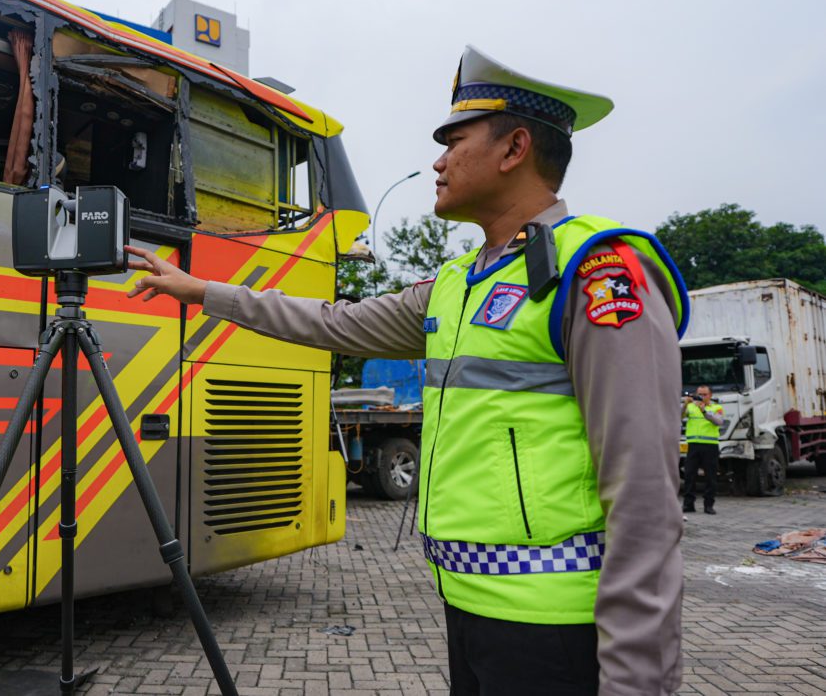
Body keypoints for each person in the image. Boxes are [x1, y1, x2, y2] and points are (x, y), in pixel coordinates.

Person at [126, 46, 689, 696]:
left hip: (555, 628)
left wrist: (637, 680)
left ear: (515, 149)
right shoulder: (458, 283)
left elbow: (644, 498)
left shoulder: (595, 270)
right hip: (468, 611)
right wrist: (202, 291)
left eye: (454, 141)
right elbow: (331, 322)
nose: (439, 161)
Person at [681, 385, 725, 514]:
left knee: (711, 477)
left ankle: (708, 505)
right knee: (689, 475)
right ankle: (688, 504)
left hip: (710, 445)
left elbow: (719, 421)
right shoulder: (691, 407)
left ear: (710, 395)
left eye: (705, 394)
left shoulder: (716, 407)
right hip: (693, 445)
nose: (702, 397)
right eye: (699, 394)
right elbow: (677, 417)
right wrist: (685, 404)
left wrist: (704, 411)